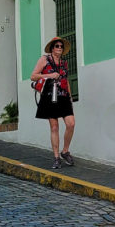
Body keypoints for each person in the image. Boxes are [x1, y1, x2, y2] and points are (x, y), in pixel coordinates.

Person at [29, 36, 76, 169]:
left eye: (61, 46)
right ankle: (56, 157)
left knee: (71, 124)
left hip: (63, 96)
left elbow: (66, 81)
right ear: (52, 48)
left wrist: (70, 98)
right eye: (57, 46)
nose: (59, 48)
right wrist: (49, 76)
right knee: (54, 127)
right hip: (49, 96)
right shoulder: (45, 59)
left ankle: (65, 151)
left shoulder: (64, 63)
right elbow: (33, 76)